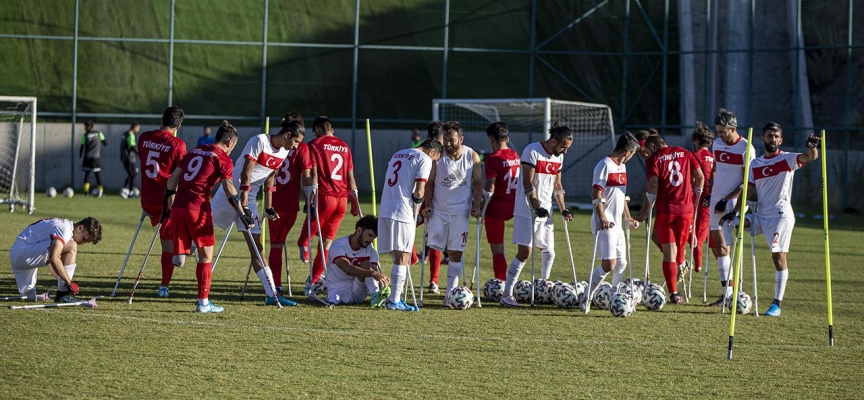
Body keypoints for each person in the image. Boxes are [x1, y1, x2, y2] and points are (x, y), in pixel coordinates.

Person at [210, 120, 305, 307]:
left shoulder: (285, 151)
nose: (296, 147)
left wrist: (268, 206)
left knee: (257, 248)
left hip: (249, 200)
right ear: (287, 135)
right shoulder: (259, 140)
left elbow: (271, 176)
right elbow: (246, 172)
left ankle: (271, 295)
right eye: (296, 142)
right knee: (201, 231)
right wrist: (242, 204)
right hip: (231, 193)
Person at [731, 123, 819, 317]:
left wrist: (812, 147)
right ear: (762, 139)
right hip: (761, 215)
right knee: (736, 224)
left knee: (778, 257)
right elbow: (747, 191)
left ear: (781, 139)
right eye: (769, 135)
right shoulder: (755, 164)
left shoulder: (787, 159)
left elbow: (810, 157)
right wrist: (735, 212)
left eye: (776, 136)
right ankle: (730, 288)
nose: (772, 138)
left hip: (781, 216)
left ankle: (776, 304)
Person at [164, 121, 241, 313]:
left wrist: (170, 204)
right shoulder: (223, 158)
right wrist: (241, 210)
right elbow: (228, 187)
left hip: (178, 208)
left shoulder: (194, 151)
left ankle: (182, 251)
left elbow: (172, 180)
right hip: (198, 209)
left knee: (180, 261)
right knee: (206, 255)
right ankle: (203, 302)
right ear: (230, 143)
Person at [500, 123, 573, 307]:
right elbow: (527, 182)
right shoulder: (532, 151)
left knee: (549, 252)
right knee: (525, 253)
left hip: (546, 211)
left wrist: (563, 208)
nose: (565, 151)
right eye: (563, 147)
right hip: (527, 210)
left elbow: (557, 185)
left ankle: (542, 287)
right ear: (554, 141)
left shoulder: (559, 158)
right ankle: (507, 295)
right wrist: (536, 206)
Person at [636, 135, 705, 305]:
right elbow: (700, 177)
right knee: (679, 249)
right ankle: (681, 266)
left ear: (652, 145)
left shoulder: (655, 158)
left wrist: (649, 207)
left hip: (666, 210)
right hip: (686, 210)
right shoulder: (685, 152)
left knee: (669, 252)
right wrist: (695, 197)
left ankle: (674, 293)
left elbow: (653, 184)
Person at [298, 116, 360, 296]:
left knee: (312, 226)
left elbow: (314, 173)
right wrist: (354, 203)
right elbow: (351, 178)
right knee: (326, 243)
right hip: (341, 200)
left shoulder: (314, 145)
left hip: (325, 196)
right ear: (331, 129)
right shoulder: (345, 146)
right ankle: (315, 279)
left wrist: (309, 197)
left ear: (317, 129)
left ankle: (303, 243)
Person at [379, 139, 443, 311]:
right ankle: (394, 300)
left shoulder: (398, 153)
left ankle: (395, 298)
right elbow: (420, 190)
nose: (434, 163)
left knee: (398, 256)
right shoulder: (424, 158)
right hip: (402, 211)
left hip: (385, 208)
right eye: (436, 159)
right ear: (432, 152)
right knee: (403, 257)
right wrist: (419, 204)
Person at [423, 121, 482, 307]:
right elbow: (429, 182)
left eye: (452, 140)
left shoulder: (472, 155)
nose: (448, 144)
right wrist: (427, 205)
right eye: (446, 140)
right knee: (435, 247)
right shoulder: (438, 157)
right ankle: (433, 282)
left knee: (456, 252)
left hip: (461, 212)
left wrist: (477, 205)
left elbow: (478, 182)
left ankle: (450, 295)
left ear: (461, 139)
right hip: (439, 211)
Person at [138, 106, 188, 298]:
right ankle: (164, 285)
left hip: (146, 201)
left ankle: (181, 246)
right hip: (165, 202)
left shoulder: (143, 137)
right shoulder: (178, 145)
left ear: (162, 118)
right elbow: (178, 176)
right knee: (190, 209)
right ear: (179, 125)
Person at [707, 108, 756, 306]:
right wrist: (712, 194)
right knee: (719, 247)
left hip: (733, 202)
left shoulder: (747, 148)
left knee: (728, 246)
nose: (719, 135)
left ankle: (732, 292)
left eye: (722, 132)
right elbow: (716, 170)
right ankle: (727, 293)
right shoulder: (717, 144)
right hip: (716, 200)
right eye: (718, 131)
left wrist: (727, 199)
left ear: (733, 128)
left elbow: (747, 182)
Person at [585, 133, 640, 298]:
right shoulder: (604, 165)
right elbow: (596, 193)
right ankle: (586, 296)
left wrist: (628, 218)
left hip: (617, 225)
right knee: (609, 264)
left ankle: (614, 297)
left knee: (622, 263)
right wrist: (602, 218)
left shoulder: (622, 167)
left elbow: (621, 195)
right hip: (605, 222)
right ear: (627, 152)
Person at [268, 113, 314, 294]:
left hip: (274, 201)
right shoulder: (301, 148)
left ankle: (275, 285)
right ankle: (276, 285)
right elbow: (307, 177)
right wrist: (309, 200)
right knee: (278, 244)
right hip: (290, 204)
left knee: (276, 246)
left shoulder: (273, 143)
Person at [9, 217, 102, 302]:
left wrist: (63, 281)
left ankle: (62, 293)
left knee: (30, 296)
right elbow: (53, 258)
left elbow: (51, 260)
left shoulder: (65, 227)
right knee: (71, 246)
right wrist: (69, 283)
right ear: (80, 228)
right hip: (22, 252)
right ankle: (63, 294)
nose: (83, 244)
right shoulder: (65, 229)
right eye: (84, 239)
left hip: (20, 253)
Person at [324, 215, 391, 306]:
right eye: (369, 235)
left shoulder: (371, 251)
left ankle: (376, 295)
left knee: (367, 265)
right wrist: (373, 273)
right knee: (368, 269)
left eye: (373, 238)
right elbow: (347, 269)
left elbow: (373, 273)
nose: (370, 240)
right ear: (359, 230)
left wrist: (381, 283)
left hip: (358, 290)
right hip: (337, 289)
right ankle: (376, 295)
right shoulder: (338, 246)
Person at [482, 122, 521, 281]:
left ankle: (501, 282)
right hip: (515, 204)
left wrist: (480, 204)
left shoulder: (492, 158)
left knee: (497, 249)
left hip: (497, 207)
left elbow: (490, 186)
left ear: (491, 139)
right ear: (507, 138)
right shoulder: (516, 155)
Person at [420, 120, 448, 293]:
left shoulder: (421, 150)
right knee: (436, 239)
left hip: (420, 199)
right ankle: (434, 281)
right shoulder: (448, 153)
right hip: (439, 201)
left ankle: (410, 262)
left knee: (406, 231)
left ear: (428, 136)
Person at [689, 122, 715, 273]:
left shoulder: (693, 157)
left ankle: (696, 266)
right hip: (711, 199)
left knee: (694, 238)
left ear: (695, 141)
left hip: (696, 200)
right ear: (710, 143)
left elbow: (692, 179)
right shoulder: (714, 158)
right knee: (700, 235)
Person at [79, 120, 107, 197]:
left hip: (87, 157)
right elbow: (105, 142)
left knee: (88, 174)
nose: (85, 127)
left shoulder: (85, 135)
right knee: (97, 174)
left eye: (86, 126)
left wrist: (80, 154)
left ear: (91, 126)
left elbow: (82, 146)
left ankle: (86, 192)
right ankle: (99, 192)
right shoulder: (99, 133)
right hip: (95, 157)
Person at [120, 122, 141, 198]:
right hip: (130, 158)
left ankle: (126, 189)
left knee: (131, 174)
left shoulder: (124, 134)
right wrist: (139, 154)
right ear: (135, 127)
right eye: (138, 128)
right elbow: (132, 146)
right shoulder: (130, 135)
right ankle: (129, 191)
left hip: (124, 157)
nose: (138, 130)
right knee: (133, 174)